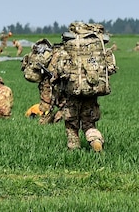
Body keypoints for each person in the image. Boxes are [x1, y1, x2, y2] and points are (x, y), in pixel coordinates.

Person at [46, 23, 117, 151]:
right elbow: (110, 69)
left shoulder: (69, 48)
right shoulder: (97, 46)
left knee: (72, 124)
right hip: (92, 90)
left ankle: (74, 150)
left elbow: (61, 70)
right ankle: (95, 140)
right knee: (89, 122)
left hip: (73, 91)